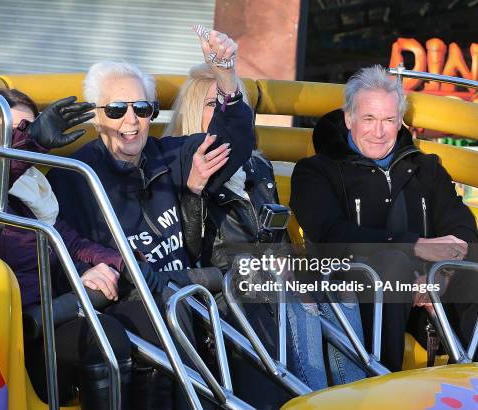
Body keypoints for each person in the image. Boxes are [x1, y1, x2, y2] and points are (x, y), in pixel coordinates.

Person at [48, 28, 253, 408]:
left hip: (186, 293)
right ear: (96, 117)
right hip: (127, 301)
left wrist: (225, 73)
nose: (131, 120)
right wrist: (80, 271)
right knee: (159, 320)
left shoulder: (166, 155)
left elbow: (232, 145)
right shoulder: (72, 176)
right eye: (116, 109)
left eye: (142, 109)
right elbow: (54, 243)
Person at [166, 64, 366, 408]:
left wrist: (289, 268)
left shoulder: (258, 167)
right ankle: (311, 400)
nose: (225, 115)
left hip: (269, 284)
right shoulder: (179, 171)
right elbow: (189, 250)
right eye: (214, 106)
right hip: (225, 293)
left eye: (233, 105)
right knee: (293, 301)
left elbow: (278, 242)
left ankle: (357, 398)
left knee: (340, 287)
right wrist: (194, 192)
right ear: (192, 113)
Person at [0, 88, 134, 409]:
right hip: (6, 343)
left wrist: (125, 266)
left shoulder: (31, 188)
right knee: (103, 339)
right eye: (13, 131)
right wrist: (30, 143)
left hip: (48, 321)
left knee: (137, 320)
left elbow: (71, 243)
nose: (22, 138)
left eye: (30, 129)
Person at [290, 65, 478, 371]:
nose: (379, 131)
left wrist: (442, 275)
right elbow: (331, 235)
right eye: (369, 119)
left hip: (427, 292)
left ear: (399, 121)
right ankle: (378, 386)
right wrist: (413, 246)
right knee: (393, 264)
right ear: (349, 118)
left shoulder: (425, 168)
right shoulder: (316, 171)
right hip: (357, 295)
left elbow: (460, 225)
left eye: (389, 120)